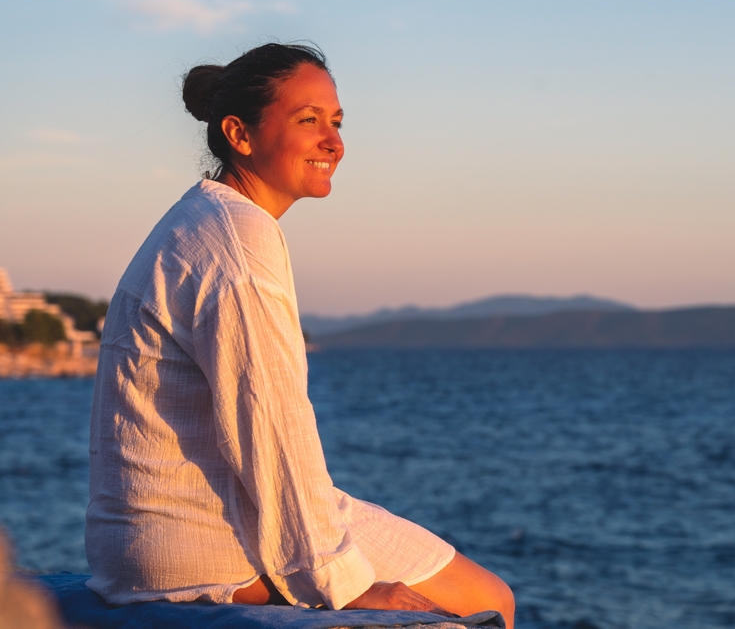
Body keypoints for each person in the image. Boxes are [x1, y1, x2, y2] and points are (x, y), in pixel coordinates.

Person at [84, 43, 514, 628]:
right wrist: (342, 582)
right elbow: (270, 426)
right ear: (239, 134)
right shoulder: (237, 243)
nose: (334, 142)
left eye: (336, 122)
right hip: (194, 548)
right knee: (488, 603)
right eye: (308, 120)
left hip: (144, 536)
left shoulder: (204, 219)